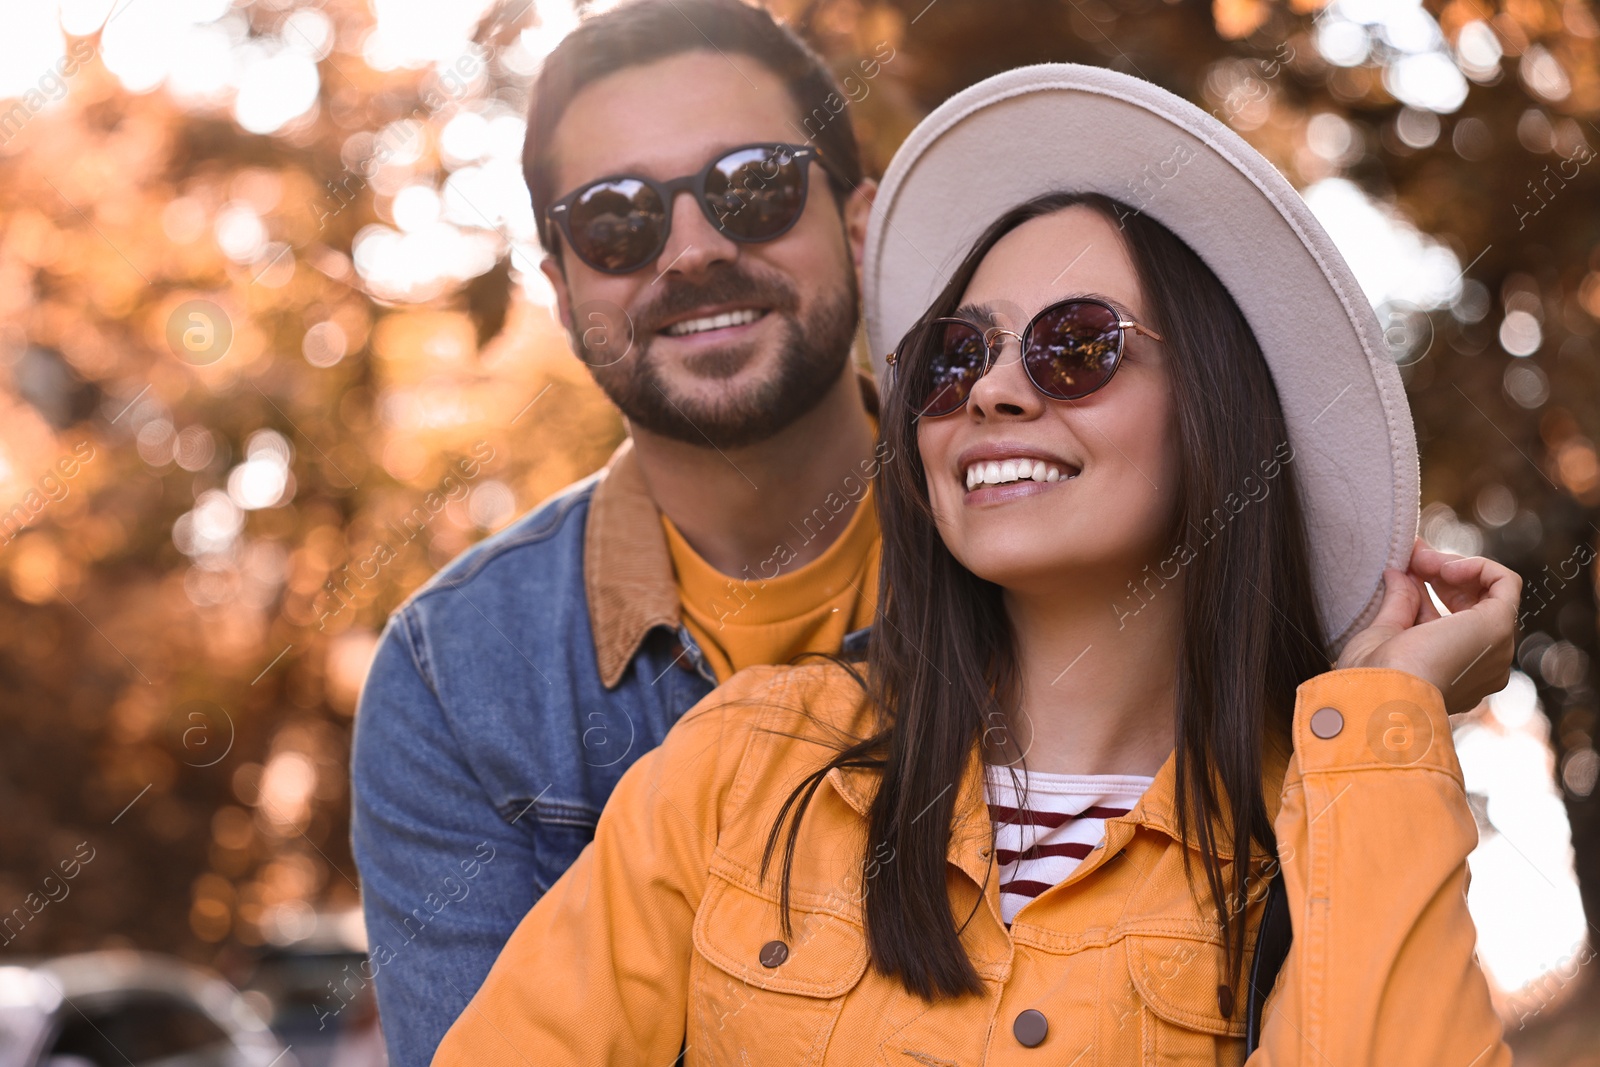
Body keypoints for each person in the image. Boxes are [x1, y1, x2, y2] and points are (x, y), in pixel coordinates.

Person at [430, 65, 1517, 1065]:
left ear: (1216, 411)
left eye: (1075, 344)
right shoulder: (738, 768)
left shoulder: (1324, 817)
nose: (993, 391)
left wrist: (1387, 715)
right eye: (953, 356)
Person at [349, 2, 886, 1062]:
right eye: (616, 219)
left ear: (859, 223)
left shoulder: (1060, 554)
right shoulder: (452, 681)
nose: (691, 250)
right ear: (560, 288)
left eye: (754, 185)